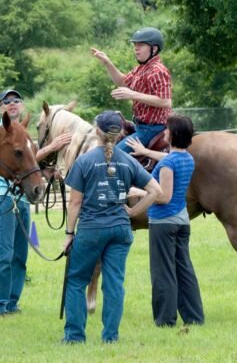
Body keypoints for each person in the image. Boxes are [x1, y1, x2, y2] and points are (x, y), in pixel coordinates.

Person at [61, 110, 162, 344]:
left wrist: (68, 234)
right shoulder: (127, 160)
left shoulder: (84, 161)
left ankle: (75, 337)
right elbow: (156, 191)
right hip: (120, 229)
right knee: (114, 284)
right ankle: (110, 337)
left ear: (97, 131)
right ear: (118, 135)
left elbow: (75, 202)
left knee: (76, 281)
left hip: (91, 229)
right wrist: (133, 212)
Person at [0, 89, 72, 317]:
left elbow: (29, 163)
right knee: (4, 252)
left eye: (16, 101)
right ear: (1, 108)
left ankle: (11, 303)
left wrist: (48, 172)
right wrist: (52, 148)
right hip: (4, 197)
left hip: (21, 198)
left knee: (20, 255)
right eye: (7, 101)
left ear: (22, 106)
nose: (12, 104)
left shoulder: (23, 133)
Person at [126, 115, 204, 327]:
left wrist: (139, 193)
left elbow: (163, 196)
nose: (164, 132)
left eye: (167, 130)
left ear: (174, 134)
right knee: (184, 269)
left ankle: (165, 320)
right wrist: (145, 152)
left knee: (163, 272)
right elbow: (168, 158)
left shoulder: (169, 163)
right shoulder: (186, 158)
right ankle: (194, 317)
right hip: (181, 221)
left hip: (163, 223)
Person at [91, 27, 172, 154]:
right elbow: (123, 82)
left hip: (151, 129)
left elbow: (165, 101)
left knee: (112, 156)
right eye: (135, 44)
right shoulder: (142, 68)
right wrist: (107, 63)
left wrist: (132, 94)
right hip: (141, 126)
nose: (136, 48)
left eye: (141, 45)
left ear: (154, 49)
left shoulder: (158, 70)